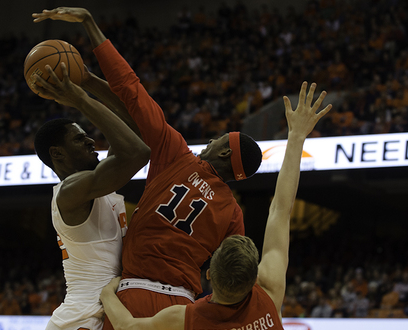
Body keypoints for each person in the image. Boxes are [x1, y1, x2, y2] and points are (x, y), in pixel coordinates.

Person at [32, 7, 263, 325]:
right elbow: (234, 271)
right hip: (178, 306)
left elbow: (132, 92)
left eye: (219, 140)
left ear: (224, 154)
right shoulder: (233, 213)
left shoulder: (178, 155)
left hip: (128, 295)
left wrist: (90, 56)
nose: (210, 142)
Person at [99, 81, 332, 330]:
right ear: (251, 278)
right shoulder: (266, 296)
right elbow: (281, 212)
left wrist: (107, 294)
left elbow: (128, 327)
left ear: (208, 277)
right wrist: (297, 137)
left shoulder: (196, 316)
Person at [31, 61, 150, 330]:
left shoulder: (95, 186)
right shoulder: (70, 192)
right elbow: (138, 152)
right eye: (79, 138)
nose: (91, 141)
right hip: (81, 317)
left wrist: (88, 81)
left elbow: (137, 126)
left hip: (107, 309)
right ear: (57, 153)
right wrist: (81, 101)